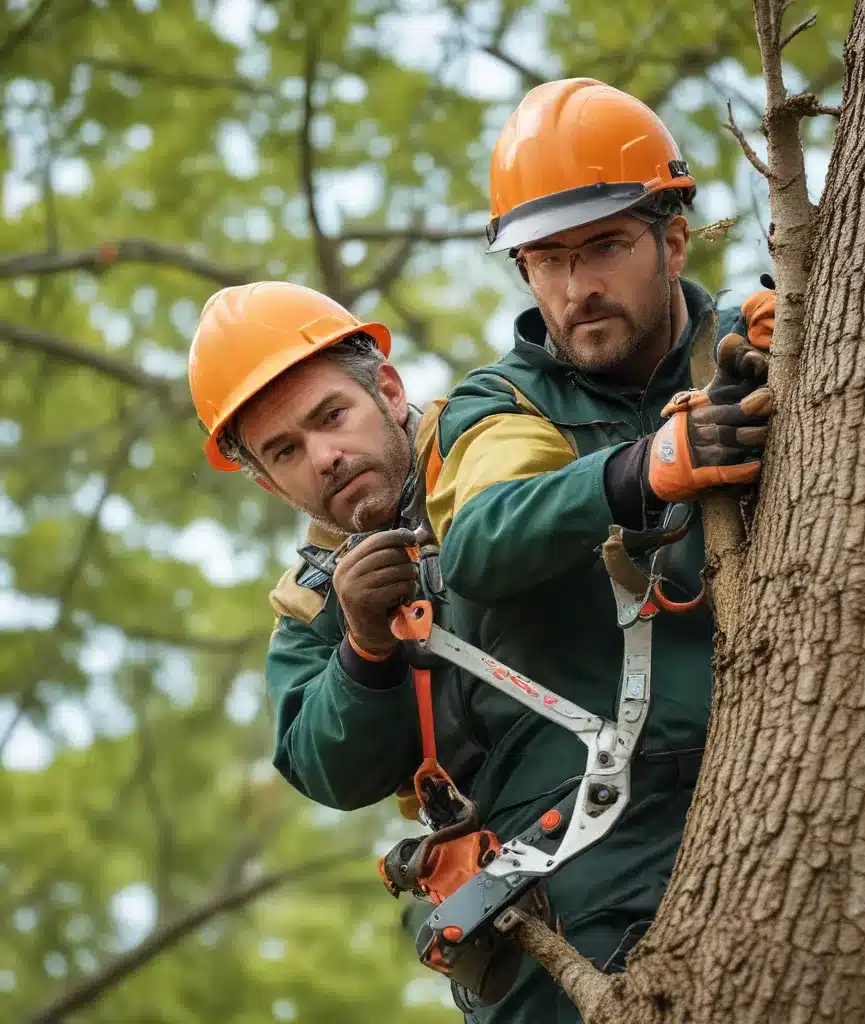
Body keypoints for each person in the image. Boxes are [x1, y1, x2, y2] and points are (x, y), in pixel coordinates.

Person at [419, 78, 776, 1022]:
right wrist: (644, 469)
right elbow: (484, 540)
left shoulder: (745, 340)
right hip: (588, 841)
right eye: (547, 260)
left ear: (671, 238)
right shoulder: (501, 403)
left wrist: (818, 345)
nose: (577, 288)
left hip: (779, 781)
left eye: (606, 247)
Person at [186, 281, 484, 816]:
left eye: (331, 417)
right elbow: (329, 772)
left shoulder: (490, 436)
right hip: (503, 845)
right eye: (285, 451)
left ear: (389, 393)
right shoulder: (310, 607)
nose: (323, 458)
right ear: (271, 485)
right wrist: (365, 647)